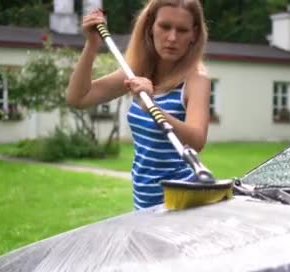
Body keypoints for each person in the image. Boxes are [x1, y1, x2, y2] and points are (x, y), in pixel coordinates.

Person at [66, 0, 211, 210]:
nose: (172, 38)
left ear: (194, 34)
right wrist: (92, 45)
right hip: (143, 201)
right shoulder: (136, 72)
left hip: (182, 201)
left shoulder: (196, 79)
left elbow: (197, 140)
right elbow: (78, 98)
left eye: (182, 30)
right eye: (165, 26)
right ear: (150, 26)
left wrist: (152, 108)